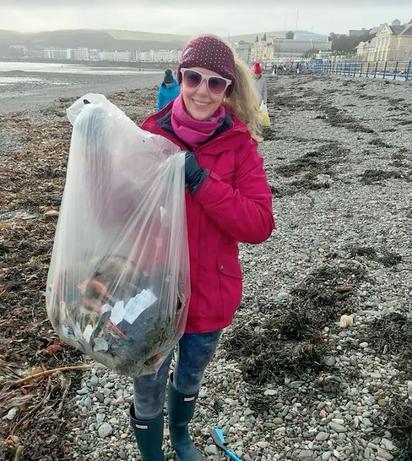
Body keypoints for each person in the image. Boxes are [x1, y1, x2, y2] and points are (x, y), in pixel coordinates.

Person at [130, 35, 275, 461]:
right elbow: (118, 210)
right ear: (180, 78)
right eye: (194, 78)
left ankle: (180, 437)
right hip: (152, 294)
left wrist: (201, 181)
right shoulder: (148, 136)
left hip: (211, 292)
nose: (202, 91)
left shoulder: (240, 145)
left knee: (190, 377)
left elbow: (259, 224)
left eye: (216, 83)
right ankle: (152, 455)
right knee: (148, 385)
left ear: (227, 89)